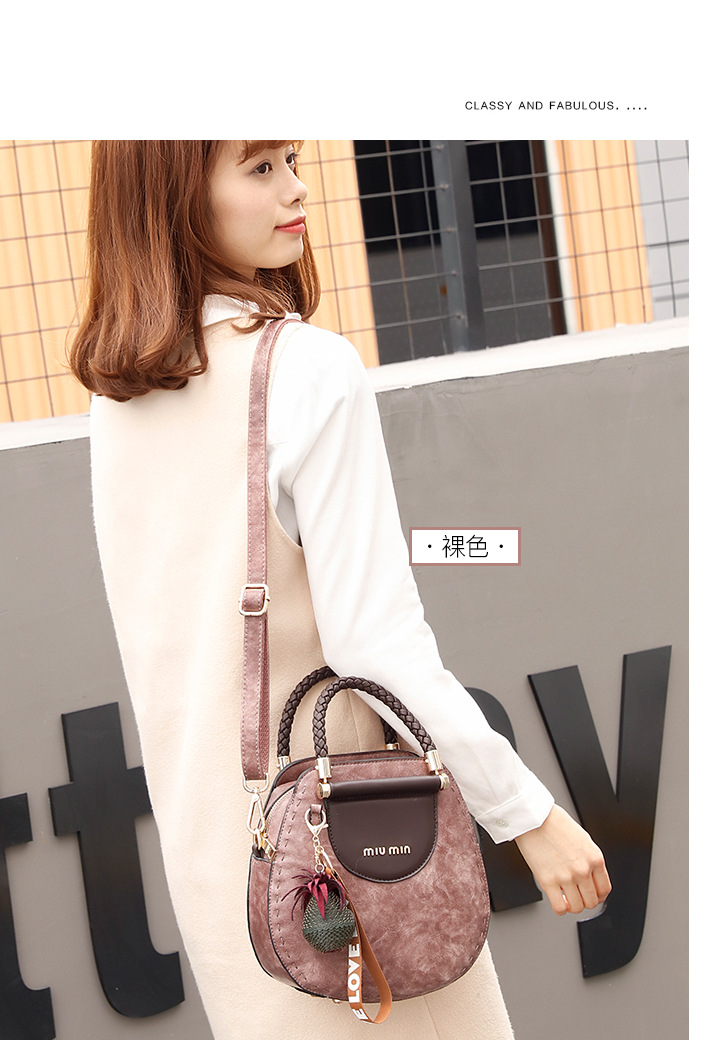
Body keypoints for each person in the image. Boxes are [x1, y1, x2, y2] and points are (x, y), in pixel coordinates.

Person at [69, 140, 611, 1040]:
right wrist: (525, 813)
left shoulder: (118, 397)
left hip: (224, 870)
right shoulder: (305, 370)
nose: (297, 188)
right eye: (259, 168)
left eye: (290, 157)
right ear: (175, 194)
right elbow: (378, 647)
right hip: (352, 855)